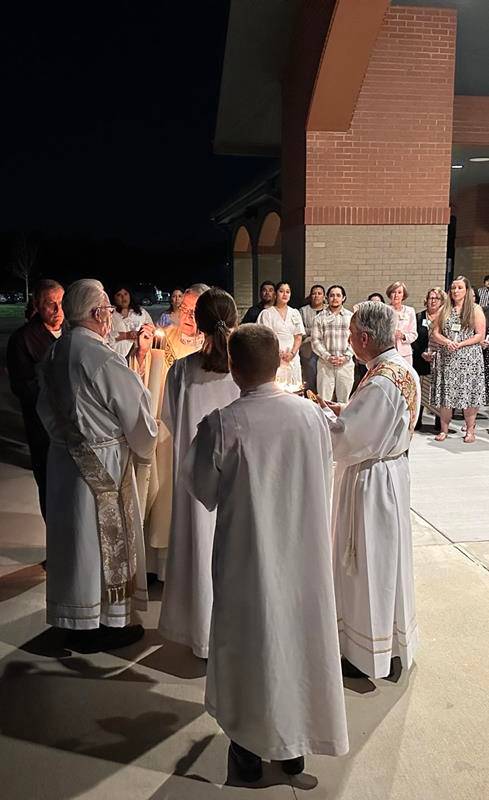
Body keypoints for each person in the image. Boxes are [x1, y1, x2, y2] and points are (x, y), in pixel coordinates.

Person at [183, 324, 348, 782]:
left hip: (248, 559)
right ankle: (294, 746)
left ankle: (248, 749)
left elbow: (202, 488)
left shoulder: (222, 424)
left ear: (234, 369)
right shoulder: (313, 417)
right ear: (279, 363)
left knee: (251, 646)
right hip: (303, 556)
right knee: (299, 642)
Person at [36, 279, 158, 652]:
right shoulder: (101, 357)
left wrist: (66, 441)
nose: (109, 317)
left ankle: (74, 616)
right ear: (95, 314)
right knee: (102, 541)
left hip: (64, 462)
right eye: (105, 311)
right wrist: (144, 446)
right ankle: (109, 622)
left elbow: (44, 409)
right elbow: (137, 414)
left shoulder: (55, 353)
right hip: (103, 462)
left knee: (73, 540)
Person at [321, 301, 420, 681]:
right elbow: (371, 421)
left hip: (371, 481)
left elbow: (347, 440)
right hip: (390, 472)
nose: (348, 343)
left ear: (364, 337)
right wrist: (344, 408)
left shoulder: (380, 381)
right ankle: (388, 644)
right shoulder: (397, 368)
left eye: (350, 336)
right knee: (384, 561)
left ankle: (364, 653)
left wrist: (318, 416)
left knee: (366, 564)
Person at [159, 289, 240, 659]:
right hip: (238, 479)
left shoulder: (181, 371)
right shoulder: (246, 369)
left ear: (200, 324)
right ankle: (235, 636)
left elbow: (173, 422)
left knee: (199, 546)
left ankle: (200, 631)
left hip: (195, 477)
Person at [133, 283, 209, 579]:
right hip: (170, 429)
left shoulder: (217, 345)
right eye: (184, 309)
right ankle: (166, 568)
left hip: (204, 430)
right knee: (168, 493)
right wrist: (142, 355)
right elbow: (149, 383)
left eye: (196, 310)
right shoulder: (167, 342)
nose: (188, 316)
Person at [7, 279, 64, 520]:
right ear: (37, 305)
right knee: (50, 487)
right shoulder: (23, 339)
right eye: (50, 304)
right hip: (44, 430)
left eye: (61, 303)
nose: (58, 311)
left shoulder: (72, 331)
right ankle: (53, 545)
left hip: (72, 429)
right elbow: (23, 387)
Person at [431, 276, 486, 443]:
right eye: (453, 288)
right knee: (446, 395)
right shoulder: (444, 309)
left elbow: (480, 335)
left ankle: (470, 430)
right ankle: (444, 430)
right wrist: (447, 341)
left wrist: (461, 344)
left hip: (469, 358)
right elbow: (436, 332)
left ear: (467, 290)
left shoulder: (475, 309)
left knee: (468, 395)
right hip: (447, 358)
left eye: (460, 288)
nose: (456, 291)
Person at [311, 285, 354, 402]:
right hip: (325, 365)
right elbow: (315, 341)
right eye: (332, 295)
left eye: (338, 295)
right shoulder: (319, 317)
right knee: (324, 401)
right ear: (327, 298)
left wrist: (346, 356)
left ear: (343, 298)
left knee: (344, 401)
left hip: (345, 364)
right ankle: (325, 420)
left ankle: (343, 421)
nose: (335, 298)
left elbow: (355, 339)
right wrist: (328, 357)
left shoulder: (351, 317)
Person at [412, 287, 446, 431]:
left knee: (438, 390)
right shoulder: (419, 317)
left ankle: (440, 421)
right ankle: (417, 420)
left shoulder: (446, 318)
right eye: (430, 298)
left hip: (440, 359)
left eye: (436, 298)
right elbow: (414, 337)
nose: (433, 301)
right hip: (421, 359)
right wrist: (422, 353)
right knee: (419, 390)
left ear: (442, 301)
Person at [257, 282, 305, 384]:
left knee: (294, 389)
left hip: (292, 357)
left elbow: (298, 337)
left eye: (287, 292)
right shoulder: (267, 314)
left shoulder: (295, 313)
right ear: (275, 294)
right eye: (281, 291)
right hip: (274, 356)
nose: (285, 294)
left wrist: (292, 353)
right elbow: (266, 338)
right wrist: (278, 353)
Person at [109, 285, 154, 359]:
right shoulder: (110, 314)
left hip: (139, 356)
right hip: (116, 356)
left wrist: (146, 332)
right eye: (119, 295)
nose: (123, 297)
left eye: (126, 294)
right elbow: (106, 336)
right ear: (114, 297)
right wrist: (126, 335)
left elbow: (152, 328)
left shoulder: (141, 312)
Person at [299, 284, 326, 391]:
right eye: (314, 293)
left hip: (325, 349)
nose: (316, 296)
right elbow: (301, 329)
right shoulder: (303, 310)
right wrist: (317, 331)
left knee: (324, 379)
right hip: (308, 348)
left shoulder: (328, 310)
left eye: (319, 293)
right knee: (310, 376)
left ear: (324, 296)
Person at [386, 281, 418, 364]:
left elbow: (414, 334)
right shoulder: (385, 310)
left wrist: (403, 336)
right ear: (390, 294)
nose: (396, 295)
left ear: (403, 295)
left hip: (405, 354)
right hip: (388, 352)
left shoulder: (410, 311)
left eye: (399, 292)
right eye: (393, 292)